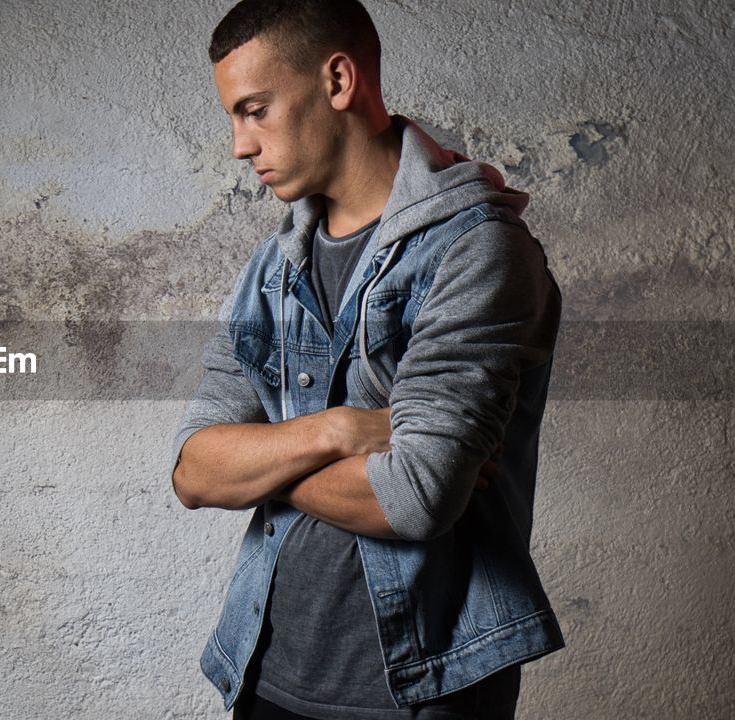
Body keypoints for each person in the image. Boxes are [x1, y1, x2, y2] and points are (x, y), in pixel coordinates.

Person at [168, 1, 567, 718]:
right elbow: (193, 470)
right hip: (266, 674)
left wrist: (261, 465)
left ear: (340, 80)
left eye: (255, 110)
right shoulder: (272, 266)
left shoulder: (476, 250)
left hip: (423, 690)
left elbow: (414, 496)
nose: (239, 144)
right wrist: (341, 430)